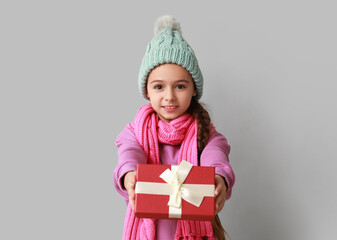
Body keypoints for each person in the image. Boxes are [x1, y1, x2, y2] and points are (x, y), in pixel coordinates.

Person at [113, 15, 235, 240]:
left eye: (180, 86)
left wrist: (219, 179)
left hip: (192, 232)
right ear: (147, 91)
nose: (169, 97)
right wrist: (130, 174)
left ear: (194, 90)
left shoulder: (206, 134)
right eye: (159, 87)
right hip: (149, 233)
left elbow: (216, 156)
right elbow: (129, 153)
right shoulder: (134, 132)